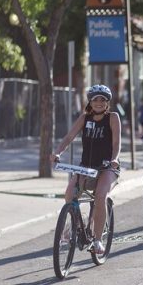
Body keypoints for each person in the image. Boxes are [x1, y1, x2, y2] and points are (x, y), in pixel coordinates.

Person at [50, 84, 121, 254]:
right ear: (90, 101)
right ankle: (74, 222)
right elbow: (69, 137)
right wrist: (57, 153)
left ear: (107, 102)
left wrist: (114, 159)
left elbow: (116, 142)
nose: (99, 102)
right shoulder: (85, 118)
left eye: (102, 100)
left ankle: (97, 240)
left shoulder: (112, 117)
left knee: (100, 196)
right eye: (95, 99)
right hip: (87, 167)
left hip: (107, 167)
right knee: (69, 193)